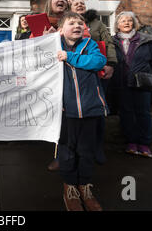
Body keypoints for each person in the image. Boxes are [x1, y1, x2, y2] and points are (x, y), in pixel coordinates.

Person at [56, 11, 107, 211]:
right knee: (67, 151)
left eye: (80, 23)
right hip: (65, 111)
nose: (77, 26)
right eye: (71, 23)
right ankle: (69, 187)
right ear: (61, 29)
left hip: (90, 108)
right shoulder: (53, 45)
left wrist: (70, 57)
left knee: (86, 151)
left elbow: (98, 62)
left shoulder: (90, 45)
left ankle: (84, 186)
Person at [111, 11, 152, 158]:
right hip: (121, 82)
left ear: (134, 23)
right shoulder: (111, 41)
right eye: (122, 20)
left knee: (143, 113)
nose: (126, 23)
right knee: (126, 113)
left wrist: (146, 73)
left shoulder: (146, 39)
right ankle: (131, 142)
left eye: (129, 20)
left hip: (141, 81)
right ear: (117, 25)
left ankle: (144, 144)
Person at [78, 6, 117, 165]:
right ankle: (77, 149)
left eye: (82, 3)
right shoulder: (66, 22)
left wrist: (111, 63)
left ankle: (97, 148)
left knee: (97, 110)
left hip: (96, 71)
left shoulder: (97, 24)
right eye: (76, 3)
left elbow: (108, 42)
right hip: (73, 72)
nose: (79, 5)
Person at [42, 0, 69, 171]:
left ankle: (62, 157)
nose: (60, 0)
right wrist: (45, 38)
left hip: (69, 74)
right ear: (50, 3)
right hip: (48, 77)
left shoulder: (73, 22)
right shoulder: (41, 22)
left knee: (67, 117)